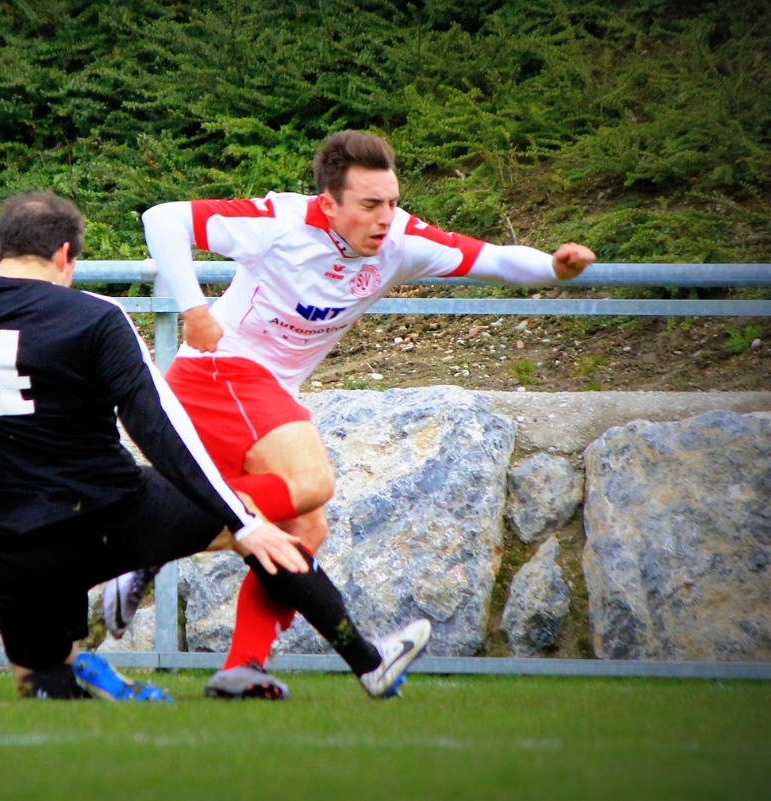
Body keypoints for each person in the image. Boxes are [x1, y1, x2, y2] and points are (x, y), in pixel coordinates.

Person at [0, 192, 425, 701]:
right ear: (65, 254)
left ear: (1, 249)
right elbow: (160, 428)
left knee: (39, 679)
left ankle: (74, 678)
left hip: (16, 543)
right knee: (262, 530)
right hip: (115, 514)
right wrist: (241, 519)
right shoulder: (96, 316)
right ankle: (368, 661)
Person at [106, 130, 596, 699]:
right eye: (369, 205)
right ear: (328, 203)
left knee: (304, 527)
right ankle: (146, 541)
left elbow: (494, 259)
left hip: (259, 393)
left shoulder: (401, 240)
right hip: (219, 374)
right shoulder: (282, 223)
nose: (385, 218)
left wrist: (554, 267)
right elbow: (163, 218)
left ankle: (240, 664)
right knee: (311, 482)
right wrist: (193, 309)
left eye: (391, 202)